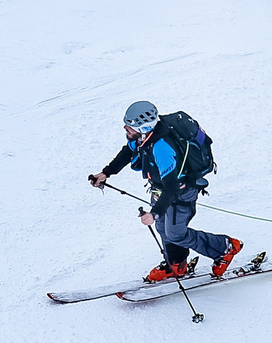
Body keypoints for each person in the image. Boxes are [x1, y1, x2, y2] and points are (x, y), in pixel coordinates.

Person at [89, 100, 245, 283]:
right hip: (159, 190)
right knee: (163, 228)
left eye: (129, 127)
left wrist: (154, 213)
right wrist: (106, 173)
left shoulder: (162, 147)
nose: (126, 129)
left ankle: (225, 247)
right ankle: (176, 265)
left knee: (175, 233)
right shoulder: (141, 137)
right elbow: (127, 152)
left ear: (144, 128)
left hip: (179, 192)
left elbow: (172, 186)